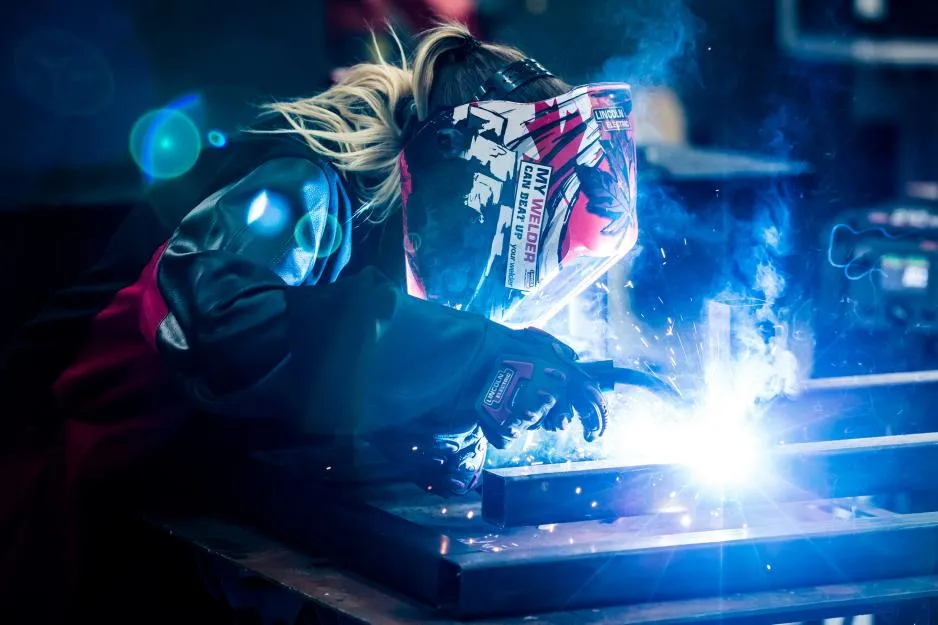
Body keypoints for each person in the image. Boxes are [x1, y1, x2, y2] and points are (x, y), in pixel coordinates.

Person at [0, 23, 638, 623]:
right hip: (57, 505)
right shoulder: (299, 184)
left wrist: (442, 423)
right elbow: (216, 327)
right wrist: (466, 359)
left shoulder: (398, 236)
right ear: (473, 172)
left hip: (185, 513)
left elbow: (332, 378)